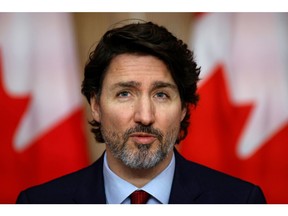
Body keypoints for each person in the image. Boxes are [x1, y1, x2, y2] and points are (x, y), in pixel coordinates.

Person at [16, 21, 266, 204]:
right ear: (96, 105)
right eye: (124, 93)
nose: (145, 116)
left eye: (161, 94)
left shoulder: (241, 202)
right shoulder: (39, 204)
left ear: (182, 108)